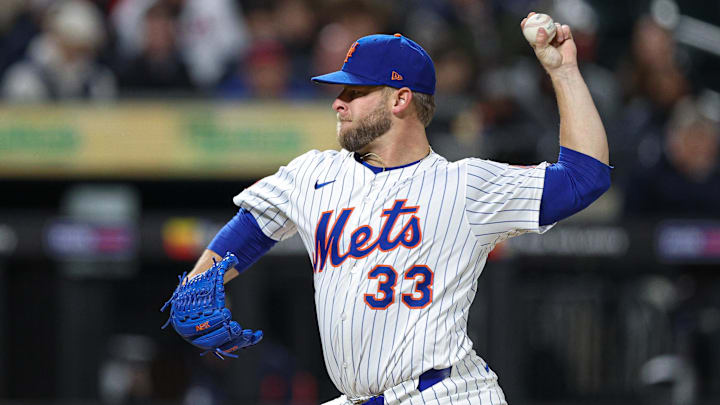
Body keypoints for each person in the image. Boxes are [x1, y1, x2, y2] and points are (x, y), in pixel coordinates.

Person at [171, 12, 611, 404]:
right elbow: (251, 228)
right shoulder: (312, 174)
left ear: (400, 99)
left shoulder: (465, 186)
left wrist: (564, 70)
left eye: (355, 90)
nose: (338, 102)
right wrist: (199, 282)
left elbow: (584, 177)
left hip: (445, 393)